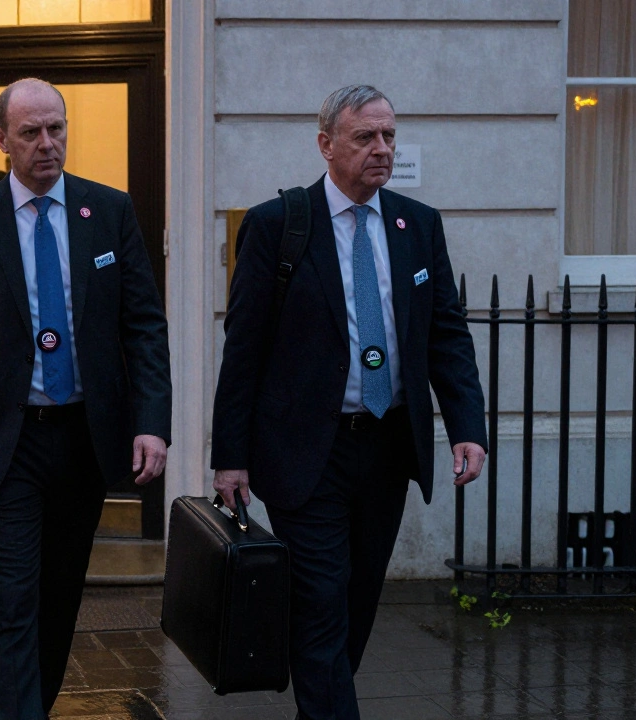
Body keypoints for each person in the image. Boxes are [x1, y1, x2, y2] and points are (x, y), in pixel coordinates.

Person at [211, 85, 487, 720]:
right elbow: (243, 350)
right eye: (365, 137)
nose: (381, 149)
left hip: (388, 448)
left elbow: (445, 333)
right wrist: (231, 457)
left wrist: (468, 427)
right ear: (326, 144)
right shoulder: (279, 225)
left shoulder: (417, 226)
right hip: (308, 453)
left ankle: (323, 701)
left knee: (355, 606)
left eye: (388, 135)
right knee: (319, 603)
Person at [0, 78, 171, 719]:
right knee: (11, 600)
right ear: (2, 139)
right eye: (30, 132)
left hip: (84, 438)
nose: (46, 143)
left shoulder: (108, 212)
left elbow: (143, 325)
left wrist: (152, 422)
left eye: (55, 128)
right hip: (5, 442)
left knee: (57, 601)